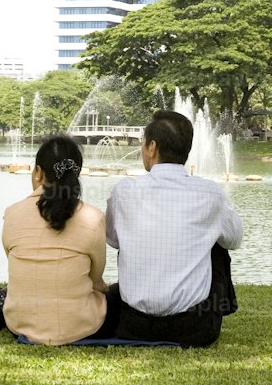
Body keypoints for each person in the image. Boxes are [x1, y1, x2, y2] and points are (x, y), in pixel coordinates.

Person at [104, 110, 243, 347]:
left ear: (152, 148)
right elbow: (235, 240)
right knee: (218, 243)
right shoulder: (210, 194)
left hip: (133, 326)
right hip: (193, 329)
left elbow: (113, 240)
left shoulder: (124, 192)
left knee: (127, 235)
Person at [2, 134, 112, 345]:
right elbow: (96, 279)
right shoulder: (92, 217)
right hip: (79, 325)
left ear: (38, 173)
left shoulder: (12, 213)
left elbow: (12, 258)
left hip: (19, 323)